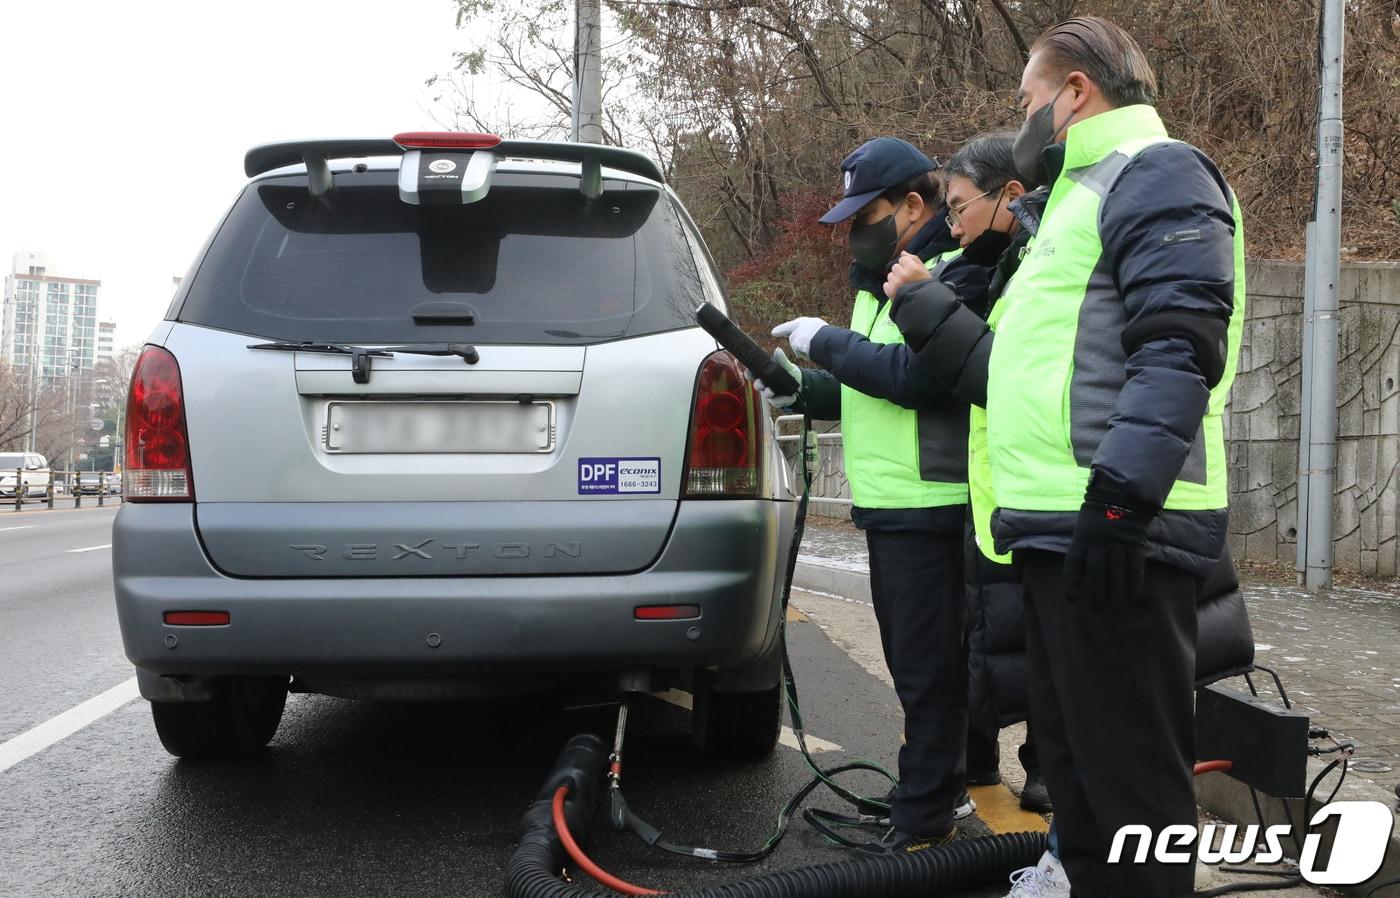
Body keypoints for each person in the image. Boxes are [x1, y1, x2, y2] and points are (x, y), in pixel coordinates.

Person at [898, 17, 1245, 898]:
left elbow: (1178, 347)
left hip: (1115, 527)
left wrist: (1121, 501)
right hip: (1061, 530)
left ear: (1075, 93)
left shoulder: (1156, 172)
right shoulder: (1073, 205)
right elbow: (1023, 375)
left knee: (1131, 791)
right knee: (1083, 784)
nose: (1023, 121)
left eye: (1028, 102)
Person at [755, 136, 989, 855]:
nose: (854, 232)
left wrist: (825, 344)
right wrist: (801, 384)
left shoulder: (947, 273)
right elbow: (870, 387)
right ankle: (932, 792)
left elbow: (919, 380)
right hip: (895, 505)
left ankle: (924, 816)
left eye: (867, 214)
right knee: (923, 665)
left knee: (928, 670)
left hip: (933, 501)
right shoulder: (882, 286)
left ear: (913, 206)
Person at [882, 133, 1053, 817]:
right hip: (991, 483)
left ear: (1009, 194)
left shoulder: (1029, 261)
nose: (950, 227)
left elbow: (989, 373)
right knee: (994, 628)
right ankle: (987, 755)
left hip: (1035, 481)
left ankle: (1047, 770)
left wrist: (924, 302)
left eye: (958, 209)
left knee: (1038, 637)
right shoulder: (978, 257)